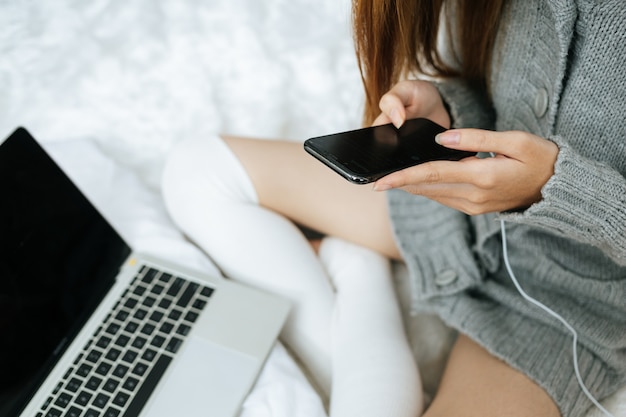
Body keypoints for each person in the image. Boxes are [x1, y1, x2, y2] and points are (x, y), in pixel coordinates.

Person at [161, 0, 626, 416]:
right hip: (460, 201)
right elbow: (510, 100)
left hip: (568, 304)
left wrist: (555, 188)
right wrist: (447, 114)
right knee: (197, 171)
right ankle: (357, 267)